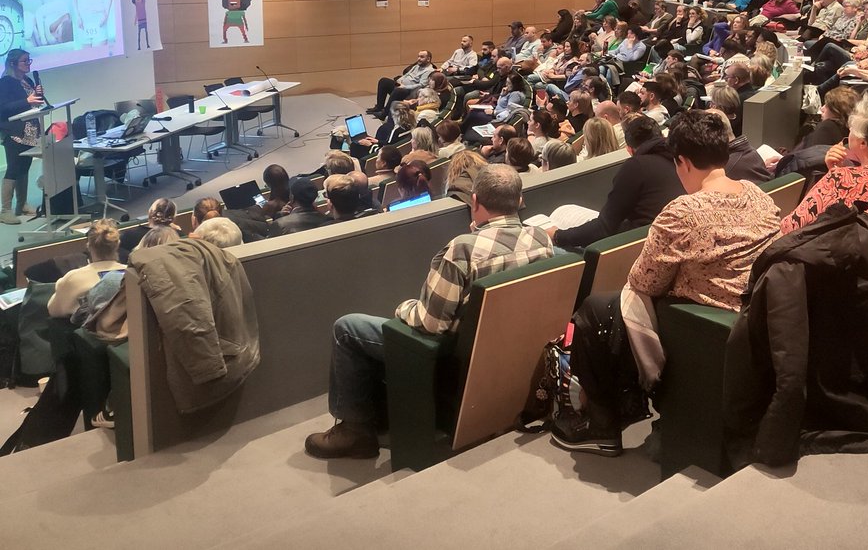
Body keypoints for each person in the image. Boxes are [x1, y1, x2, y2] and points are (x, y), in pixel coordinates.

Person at [549, 110, 780, 456]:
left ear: (683, 162)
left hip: (701, 324)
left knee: (595, 310)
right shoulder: (755, 193)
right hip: (753, 312)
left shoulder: (681, 211)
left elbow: (643, 281)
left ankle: (601, 426)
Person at [304, 165, 555, 459]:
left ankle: (354, 431)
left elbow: (431, 324)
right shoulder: (542, 239)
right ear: (519, 200)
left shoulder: (463, 249)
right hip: (503, 351)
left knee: (347, 327)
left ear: (475, 201)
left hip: (448, 354)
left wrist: (404, 308)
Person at [545, 115, 684, 249]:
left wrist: (558, 236)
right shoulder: (681, 159)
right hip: (672, 240)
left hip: (641, 248)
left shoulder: (636, 166)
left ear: (629, 150)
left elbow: (604, 227)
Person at [780, 98, 868, 234]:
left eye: (851, 130)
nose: (848, 133)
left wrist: (832, 177)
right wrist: (834, 171)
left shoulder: (841, 179)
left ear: (863, 143)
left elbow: (790, 227)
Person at [47, 219, 126, 317]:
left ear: (88, 246)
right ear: (118, 244)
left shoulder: (73, 278)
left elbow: (53, 311)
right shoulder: (132, 273)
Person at [1, 48, 42, 223]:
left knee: (25, 166)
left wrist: (39, 94)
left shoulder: (27, 80)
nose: (28, 64)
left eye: (29, 60)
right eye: (25, 61)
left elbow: (34, 103)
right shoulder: (5, 83)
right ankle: (5, 210)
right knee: (13, 168)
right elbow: (3, 108)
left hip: (30, 130)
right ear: (13, 63)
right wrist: (27, 100)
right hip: (14, 132)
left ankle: (22, 204)